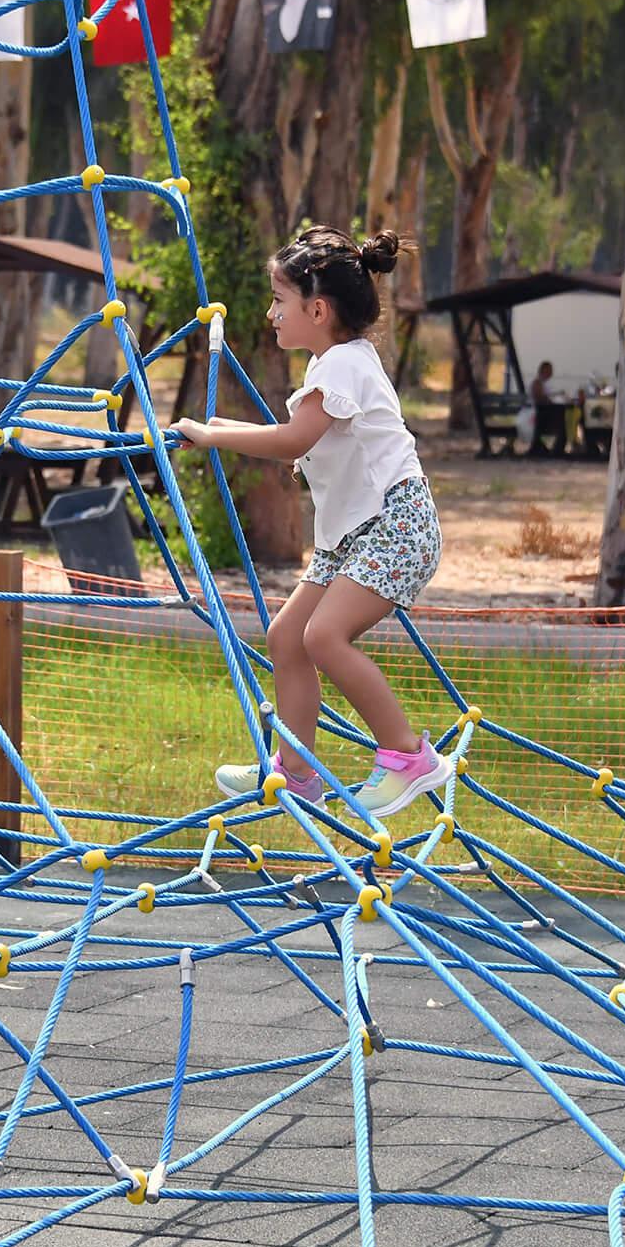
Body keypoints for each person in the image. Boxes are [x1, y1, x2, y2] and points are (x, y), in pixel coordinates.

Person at [171, 226, 449, 819]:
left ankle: (408, 756)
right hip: (354, 535)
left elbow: (292, 440)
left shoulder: (342, 367)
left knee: (322, 637)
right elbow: (295, 438)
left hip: (395, 525)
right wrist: (212, 432)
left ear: (317, 309)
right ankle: (295, 772)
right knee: (285, 638)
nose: (271, 314)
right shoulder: (336, 363)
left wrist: (215, 435)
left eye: (280, 301)